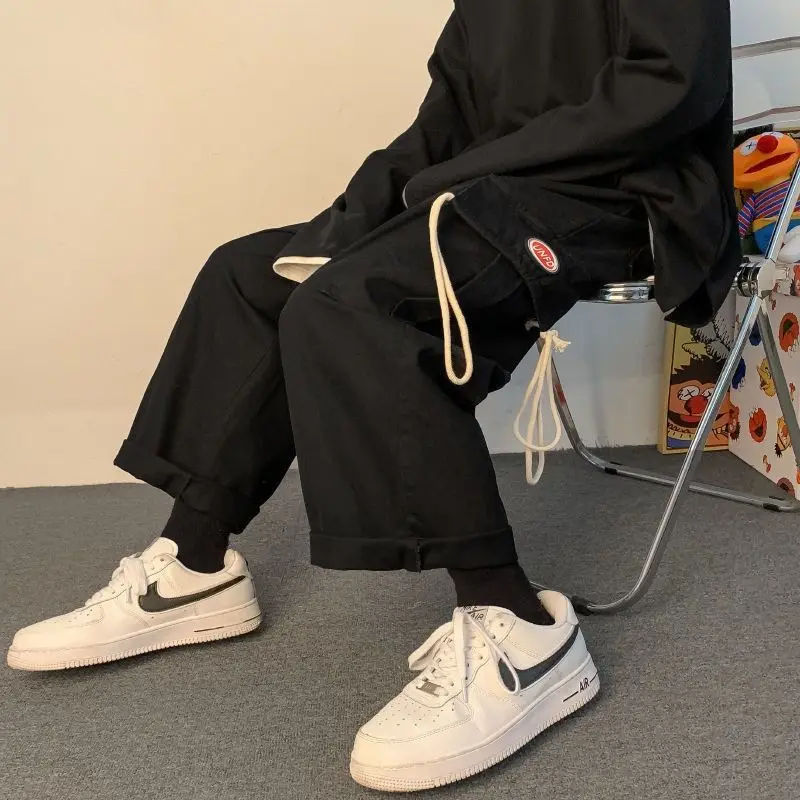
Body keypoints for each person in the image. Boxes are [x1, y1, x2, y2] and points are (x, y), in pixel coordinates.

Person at [7, 0, 739, 791]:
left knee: (355, 306)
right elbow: (446, 117)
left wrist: (457, 178)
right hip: (491, 193)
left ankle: (522, 626)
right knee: (252, 275)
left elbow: (669, 86)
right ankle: (194, 562)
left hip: (623, 197)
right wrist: (353, 215)